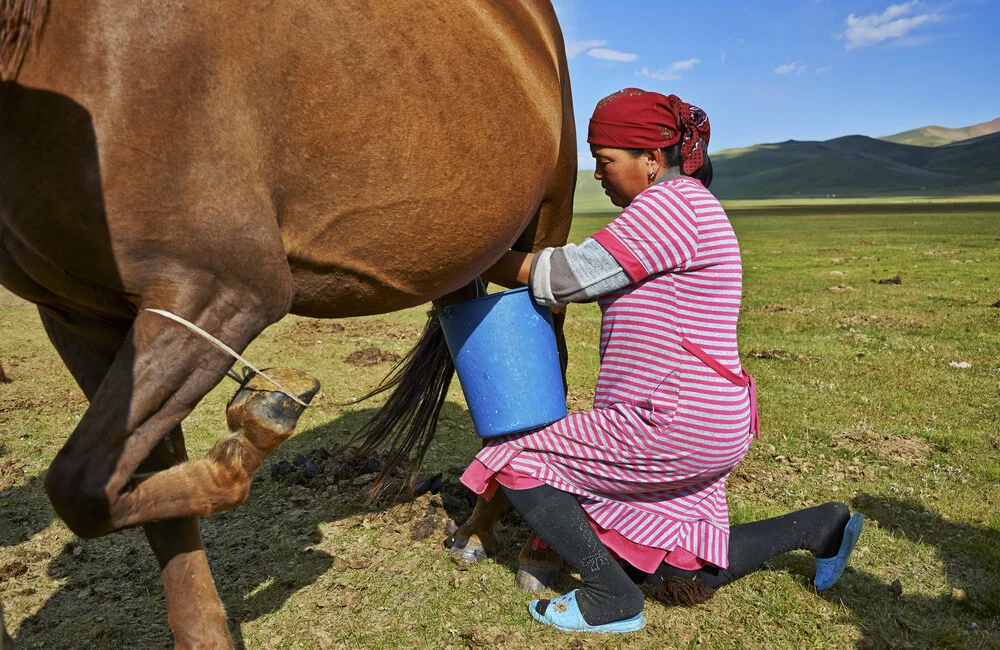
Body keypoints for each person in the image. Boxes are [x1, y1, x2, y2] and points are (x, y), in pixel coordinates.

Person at [462, 88, 864, 634]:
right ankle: (821, 526)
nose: (597, 175)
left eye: (606, 161)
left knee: (514, 458)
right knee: (677, 575)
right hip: (711, 417)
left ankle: (608, 597)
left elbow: (569, 278)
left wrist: (472, 255)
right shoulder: (690, 207)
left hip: (670, 419)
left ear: (651, 161)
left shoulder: (670, 207)